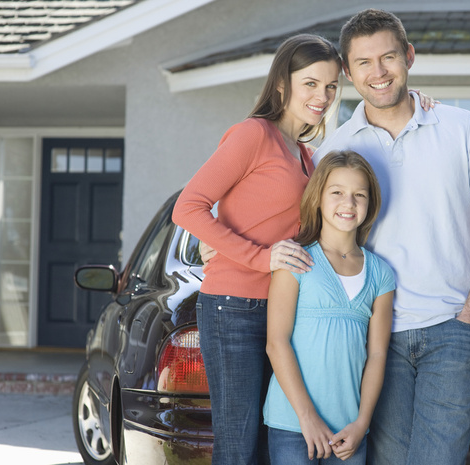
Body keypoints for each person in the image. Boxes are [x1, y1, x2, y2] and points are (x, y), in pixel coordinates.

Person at [312, 9, 470, 465]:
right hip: (371, 336)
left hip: (450, 330)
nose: (378, 72)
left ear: (409, 57)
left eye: (388, 57)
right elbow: (317, 242)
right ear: (347, 71)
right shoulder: (335, 150)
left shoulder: (462, 129)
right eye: (363, 62)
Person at [172, 34, 342, 465]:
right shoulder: (254, 134)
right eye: (310, 84)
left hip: (282, 312)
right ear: (282, 84)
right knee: (239, 443)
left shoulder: (307, 155)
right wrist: (257, 256)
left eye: (331, 86)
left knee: (273, 443)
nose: (322, 96)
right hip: (234, 308)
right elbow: (188, 207)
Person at [263, 150, 394, 465]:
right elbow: (276, 343)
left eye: (359, 195)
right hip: (293, 424)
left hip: (348, 430)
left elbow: (377, 355)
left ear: (370, 203)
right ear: (318, 198)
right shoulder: (295, 261)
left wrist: (362, 423)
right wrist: (307, 418)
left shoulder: (380, 273)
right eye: (337, 193)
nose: (348, 203)